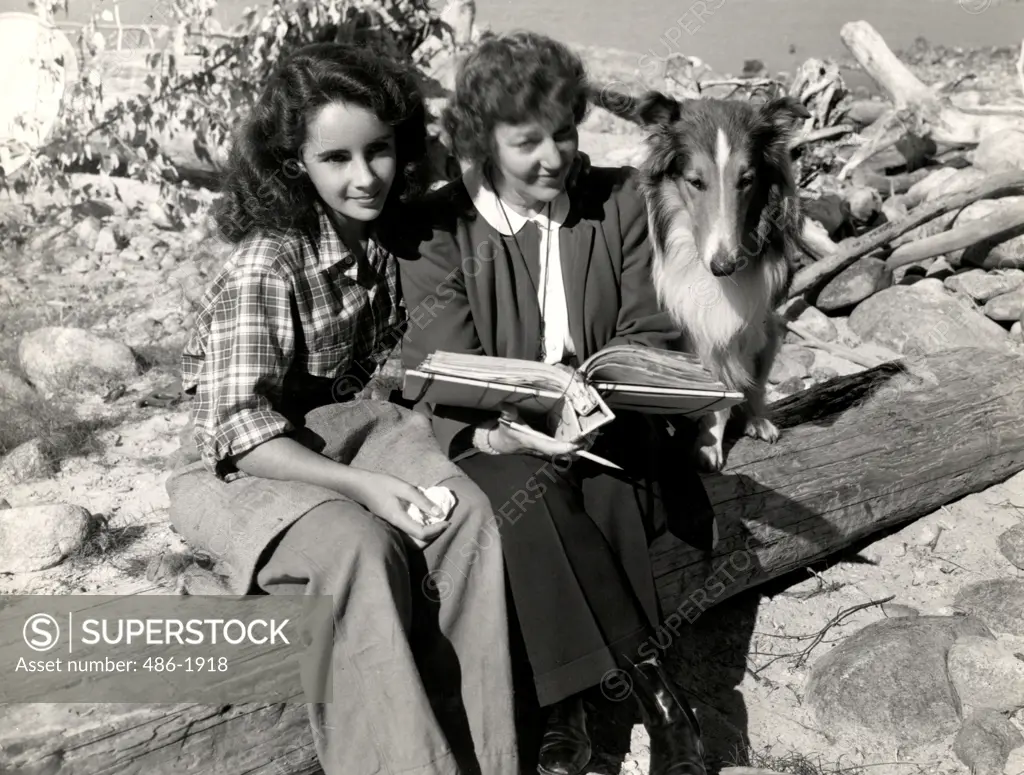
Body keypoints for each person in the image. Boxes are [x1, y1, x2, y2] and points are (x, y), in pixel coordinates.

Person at [164, 41, 519, 775]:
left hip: (342, 439)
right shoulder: (269, 263)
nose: (365, 177)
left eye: (380, 150)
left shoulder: (386, 244)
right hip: (243, 471)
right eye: (337, 160)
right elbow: (242, 434)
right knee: (360, 548)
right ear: (294, 163)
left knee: (463, 514)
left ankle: (489, 756)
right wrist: (366, 490)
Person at [398, 30, 715, 775]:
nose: (553, 158)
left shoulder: (619, 203)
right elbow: (444, 361)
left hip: (604, 419)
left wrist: (594, 393)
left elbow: (647, 324)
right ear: (481, 141)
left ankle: (566, 724)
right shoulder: (435, 229)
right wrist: (523, 421)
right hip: (490, 433)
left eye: (565, 134)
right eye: (526, 142)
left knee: (607, 481)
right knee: (529, 490)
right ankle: (653, 697)